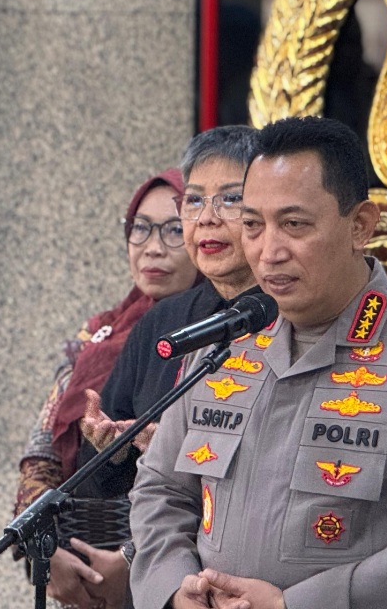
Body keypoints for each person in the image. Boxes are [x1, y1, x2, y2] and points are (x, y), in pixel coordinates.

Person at [129, 116, 387, 609]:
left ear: (360, 226)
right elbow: (161, 489)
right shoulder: (226, 343)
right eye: (253, 226)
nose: (269, 251)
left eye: (294, 225)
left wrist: (300, 605)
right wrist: (177, 588)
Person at [78, 126, 259, 600]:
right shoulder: (164, 323)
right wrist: (113, 448)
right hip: (168, 582)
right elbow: (96, 485)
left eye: (230, 200)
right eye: (195, 201)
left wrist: (184, 449)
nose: (207, 219)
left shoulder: (293, 317)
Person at [14, 168, 199, 609]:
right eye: (140, 228)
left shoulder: (218, 337)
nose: (153, 247)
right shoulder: (96, 336)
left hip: (172, 577)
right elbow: (41, 453)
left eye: (174, 230)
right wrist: (45, 550)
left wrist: (131, 561)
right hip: (73, 569)